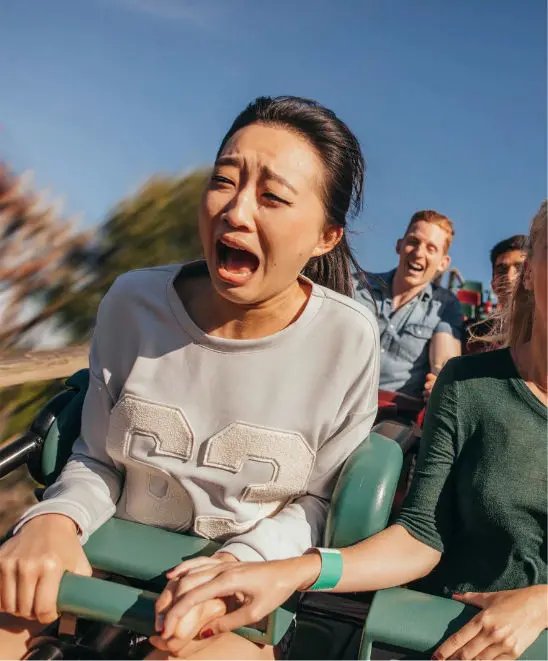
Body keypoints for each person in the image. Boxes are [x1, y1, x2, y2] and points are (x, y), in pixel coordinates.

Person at [0, 96, 380, 660]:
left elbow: (316, 504)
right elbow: (97, 456)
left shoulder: (347, 341)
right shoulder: (133, 302)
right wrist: (55, 518)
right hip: (100, 556)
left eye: (273, 197)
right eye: (225, 181)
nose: (237, 212)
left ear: (327, 237)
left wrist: (235, 566)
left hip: (238, 596)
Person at [163, 201, 547, 661]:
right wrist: (291, 573)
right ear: (530, 272)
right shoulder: (469, 385)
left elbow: (440, 352)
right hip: (445, 637)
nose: (418, 253)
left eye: (432, 248)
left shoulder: (442, 312)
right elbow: (423, 535)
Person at [353, 210, 463, 401]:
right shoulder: (356, 285)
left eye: (431, 248)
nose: (419, 253)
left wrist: (440, 383)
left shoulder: (445, 306)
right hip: (335, 400)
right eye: (413, 241)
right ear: (399, 245)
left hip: (393, 417)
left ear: (443, 263)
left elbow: (444, 365)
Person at [465, 235, 527, 354]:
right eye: (502, 269)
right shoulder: (474, 336)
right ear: (493, 284)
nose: (509, 277)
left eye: (520, 268)